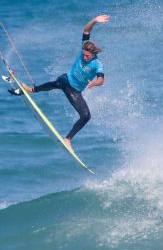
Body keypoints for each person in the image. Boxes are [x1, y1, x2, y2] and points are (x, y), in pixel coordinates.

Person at [10, 15, 109, 150]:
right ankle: (29, 90)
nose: (84, 58)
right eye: (83, 55)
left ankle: (67, 139)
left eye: (88, 56)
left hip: (74, 91)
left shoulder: (98, 65)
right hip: (66, 80)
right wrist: (95, 21)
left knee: (86, 116)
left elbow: (101, 80)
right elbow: (86, 30)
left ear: (93, 54)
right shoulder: (84, 47)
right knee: (58, 82)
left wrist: (94, 84)